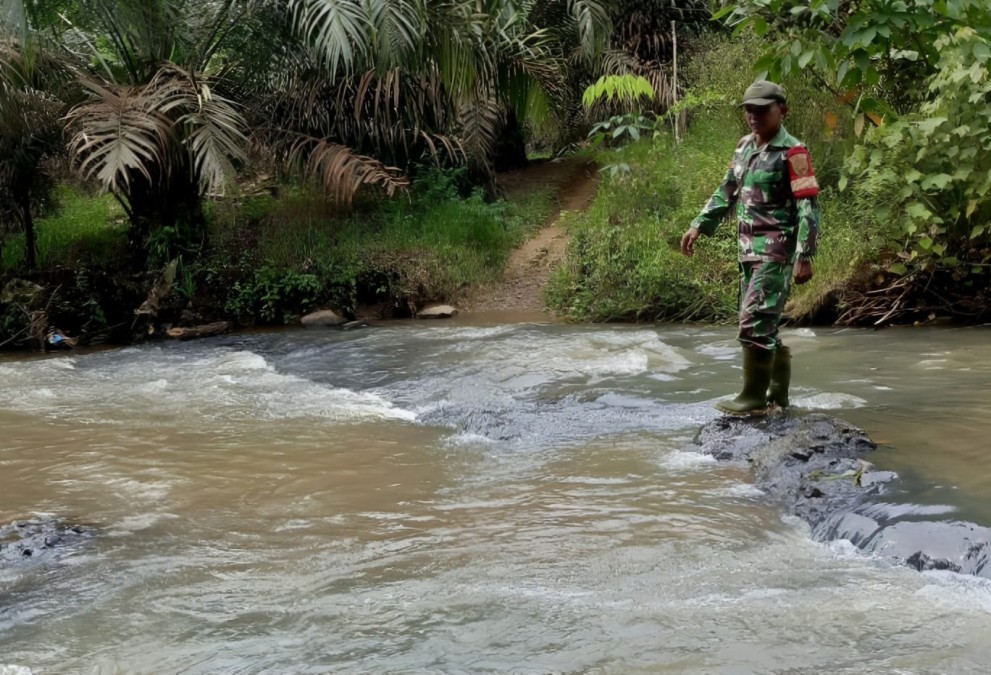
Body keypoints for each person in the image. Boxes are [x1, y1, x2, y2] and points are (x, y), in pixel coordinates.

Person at [680, 80, 820, 416]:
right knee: (764, 323)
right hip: (747, 249)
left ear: (782, 110)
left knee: (753, 321)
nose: (753, 116)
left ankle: (753, 399)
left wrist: (805, 255)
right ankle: (777, 394)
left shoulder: (794, 153)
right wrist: (700, 224)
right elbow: (726, 190)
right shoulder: (744, 147)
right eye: (749, 110)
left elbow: (808, 206)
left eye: (761, 109)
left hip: (776, 250)